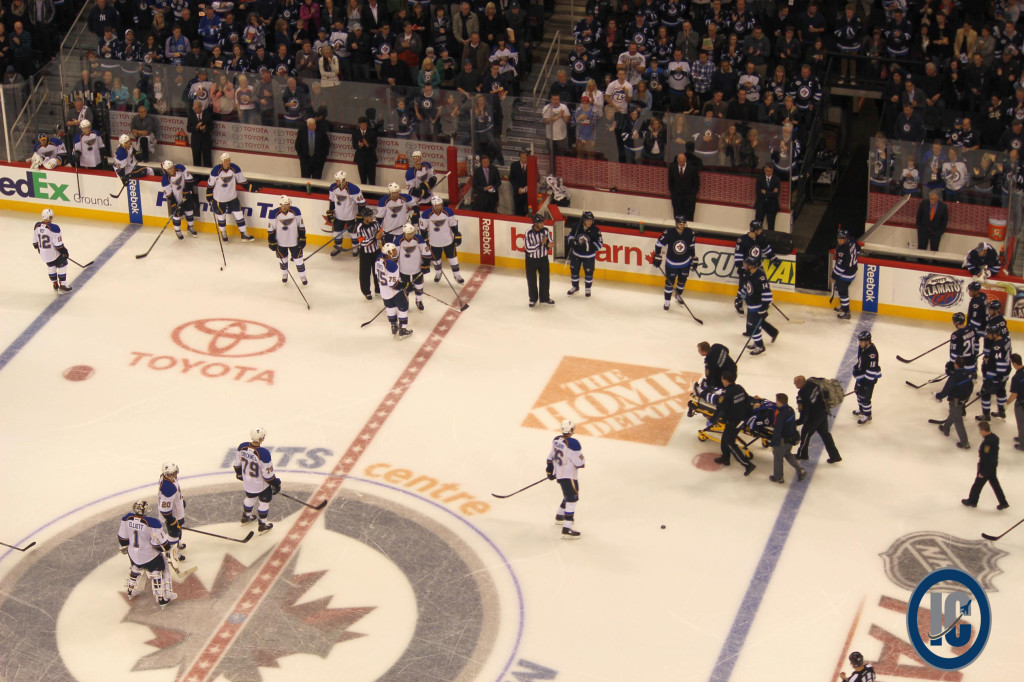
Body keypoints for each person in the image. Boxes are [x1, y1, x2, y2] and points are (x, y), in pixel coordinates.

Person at [117, 500, 177, 606]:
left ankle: (130, 590)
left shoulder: (126, 519)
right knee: (159, 569)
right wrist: (167, 547)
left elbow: (122, 539)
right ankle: (161, 597)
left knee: (136, 567)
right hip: (149, 556)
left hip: (133, 554)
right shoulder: (152, 523)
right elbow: (161, 544)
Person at [232, 426, 281, 534]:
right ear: (261, 438)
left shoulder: (242, 446)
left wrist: (239, 473)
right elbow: (268, 476)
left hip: (248, 483)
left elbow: (236, 464)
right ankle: (262, 525)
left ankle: (245, 517)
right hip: (261, 486)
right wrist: (276, 483)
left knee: (250, 498)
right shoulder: (263, 453)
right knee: (264, 503)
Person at [712, 369, 757, 476]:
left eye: (722, 379)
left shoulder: (727, 393)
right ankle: (725, 458)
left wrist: (714, 419)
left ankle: (747, 464)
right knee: (725, 439)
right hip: (741, 419)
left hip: (733, 421)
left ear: (726, 380)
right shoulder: (739, 388)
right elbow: (747, 400)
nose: (722, 381)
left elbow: (722, 408)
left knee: (729, 443)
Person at [546, 419, 585, 538]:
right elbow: (580, 463)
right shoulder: (574, 444)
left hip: (559, 475)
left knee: (567, 495)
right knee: (572, 500)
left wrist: (549, 471)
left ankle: (560, 516)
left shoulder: (556, 440)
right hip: (569, 477)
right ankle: (566, 529)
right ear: (572, 430)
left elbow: (550, 457)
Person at [733, 220, 778, 315]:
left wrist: (773, 257)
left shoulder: (761, 237)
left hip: (758, 266)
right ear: (755, 230)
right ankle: (739, 300)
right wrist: (741, 267)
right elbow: (738, 255)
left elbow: (766, 248)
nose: (761, 230)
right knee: (745, 286)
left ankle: (762, 301)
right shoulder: (742, 240)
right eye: (760, 229)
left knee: (762, 283)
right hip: (747, 267)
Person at [962, 421, 1010, 510]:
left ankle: (972, 501)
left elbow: (988, 458)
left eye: (980, 430)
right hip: (992, 465)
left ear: (984, 430)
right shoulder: (994, 437)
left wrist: (983, 472)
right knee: (995, 484)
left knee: (977, 484)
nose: (980, 432)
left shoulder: (988, 442)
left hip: (986, 467)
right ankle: (1003, 502)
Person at [207, 153, 254, 242]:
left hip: (232, 197)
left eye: (228, 160)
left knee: (239, 214)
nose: (227, 162)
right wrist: (209, 195)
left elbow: (242, 181)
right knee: (221, 217)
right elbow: (210, 185)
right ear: (222, 161)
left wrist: (251, 187)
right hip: (219, 198)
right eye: (225, 161)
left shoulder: (235, 168)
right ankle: (223, 232)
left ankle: (243, 233)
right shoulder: (215, 171)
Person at [652, 216, 696, 311]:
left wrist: (693, 258)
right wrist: (657, 255)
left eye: (683, 223)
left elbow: (691, 247)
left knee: (682, 282)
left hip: (685, 263)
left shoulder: (690, 233)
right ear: (676, 223)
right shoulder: (669, 233)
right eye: (680, 223)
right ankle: (667, 301)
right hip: (671, 264)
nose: (682, 225)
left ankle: (678, 296)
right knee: (669, 283)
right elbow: (658, 244)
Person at [794, 375, 841, 463]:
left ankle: (802, 454)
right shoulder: (812, 382)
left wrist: (799, 422)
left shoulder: (803, 393)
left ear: (799, 383)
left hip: (813, 418)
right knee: (825, 435)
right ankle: (835, 456)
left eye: (795, 383)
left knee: (805, 435)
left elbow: (805, 411)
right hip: (823, 412)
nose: (794, 385)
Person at [421, 195, 464, 284]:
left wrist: (457, 234)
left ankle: (457, 275)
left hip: (448, 241)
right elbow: (423, 229)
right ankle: (438, 273)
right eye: (437, 205)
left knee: (453, 259)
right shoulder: (426, 214)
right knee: (436, 260)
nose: (439, 206)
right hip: (434, 242)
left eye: (440, 204)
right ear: (433, 205)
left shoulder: (448, 212)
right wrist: (425, 239)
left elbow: (453, 225)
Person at [375, 242, 414, 339]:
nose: (395, 251)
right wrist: (406, 285)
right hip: (394, 293)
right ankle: (403, 329)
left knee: (390, 309)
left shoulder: (378, 260)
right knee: (403, 308)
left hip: (384, 292)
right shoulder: (392, 266)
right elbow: (393, 284)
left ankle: (393, 326)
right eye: (393, 250)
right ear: (388, 252)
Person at [741, 256, 777, 355]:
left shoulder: (760, 276)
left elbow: (767, 292)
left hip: (757, 306)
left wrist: (764, 308)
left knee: (755, 327)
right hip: (750, 305)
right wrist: (740, 297)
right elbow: (746, 287)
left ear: (752, 265)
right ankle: (757, 343)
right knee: (752, 326)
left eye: (747, 264)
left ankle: (760, 346)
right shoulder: (747, 274)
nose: (745, 265)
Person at [268, 195, 308, 285]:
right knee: (283, 260)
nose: (289, 205)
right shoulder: (273, 214)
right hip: (280, 242)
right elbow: (271, 229)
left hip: (294, 241)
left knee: (299, 260)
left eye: (289, 203)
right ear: (281, 205)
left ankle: (303, 276)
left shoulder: (296, 211)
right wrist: (271, 241)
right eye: (286, 204)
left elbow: (301, 225)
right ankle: (284, 274)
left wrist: (302, 237)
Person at [936, 358, 974, 449]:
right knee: (953, 414)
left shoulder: (954, 376)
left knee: (958, 420)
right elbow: (971, 386)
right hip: (964, 399)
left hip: (955, 400)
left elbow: (947, 389)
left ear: (956, 365)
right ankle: (946, 428)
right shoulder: (968, 373)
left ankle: (965, 443)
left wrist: (939, 396)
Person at [326, 170, 365, 257]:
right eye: (336, 180)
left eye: (338, 180)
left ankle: (355, 248)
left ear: (343, 180)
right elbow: (332, 201)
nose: (336, 182)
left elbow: (361, 203)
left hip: (351, 216)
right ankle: (338, 247)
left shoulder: (353, 189)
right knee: (336, 232)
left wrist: (360, 215)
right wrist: (330, 212)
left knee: (354, 233)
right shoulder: (332, 187)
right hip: (338, 216)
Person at [32, 209, 72, 293]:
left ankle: (54, 283)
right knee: (62, 265)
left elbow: (35, 244)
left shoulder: (37, 226)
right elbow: (58, 245)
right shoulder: (54, 228)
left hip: (43, 254)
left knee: (51, 266)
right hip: (53, 254)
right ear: (50, 217)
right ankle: (63, 285)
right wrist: (64, 252)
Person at [769, 393, 805, 484]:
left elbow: (778, 430)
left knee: (778, 458)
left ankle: (778, 477)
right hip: (791, 438)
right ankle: (800, 470)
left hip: (782, 441)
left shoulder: (781, 415)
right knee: (788, 454)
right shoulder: (790, 410)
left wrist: (773, 443)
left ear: (779, 402)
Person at [395, 223, 432, 311]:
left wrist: (426, 263)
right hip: (404, 269)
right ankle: (405, 302)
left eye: (412, 233)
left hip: (417, 267)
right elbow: (394, 255)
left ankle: (419, 300)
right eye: (409, 234)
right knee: (405, 288)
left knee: (419, 285)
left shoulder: (418, 238)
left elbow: (426, 252)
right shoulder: (398, 240)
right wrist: (394, 268)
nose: (411, 235)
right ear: (404, 233)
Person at [566, 211, 603, 297]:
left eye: (591, 220)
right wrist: (571, 241)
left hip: (589, 256)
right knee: (574, 270)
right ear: (583, 220)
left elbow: (600, 243)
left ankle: (588, 288)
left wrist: (587, 247)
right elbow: (570, 235)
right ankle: (575, 287)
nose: (589, 222)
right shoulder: (577, 226)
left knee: (589, 272)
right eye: (587, 220)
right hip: (576, 254)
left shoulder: (596, 230)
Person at [977, 327, 1010, 421]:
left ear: (995, 334)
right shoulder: (1006, 340)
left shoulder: (997, 347)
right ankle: (1002, 412)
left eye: (989, 334)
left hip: (995, 375)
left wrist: (997, 378)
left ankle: (986, 415)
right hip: (1006, 373)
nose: (988, 336)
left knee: (985, 393)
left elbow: (1000, 363)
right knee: (1001, 391)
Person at [161, 160, 198, 240]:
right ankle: (177, 231)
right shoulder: (165, 179)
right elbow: (169, 194)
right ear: (166, 170)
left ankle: (190, 227)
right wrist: (174, 203)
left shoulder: (180, 168)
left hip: (185, 195)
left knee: (189, 211)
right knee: (177, 215)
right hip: (176, 199)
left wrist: (187, 190)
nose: (172, 169)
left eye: (172, 167)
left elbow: (190, 180)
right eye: (169, 169)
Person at [157, 462, 186, 562]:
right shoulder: (168, 489)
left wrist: (181, 499)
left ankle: (178, 543)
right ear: (166, 474)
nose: (174, 475)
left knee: (180, 527)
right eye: (171, 474)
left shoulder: (167, 477)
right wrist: (171, 520)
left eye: (175, 472)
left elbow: (177, 489)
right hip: (172, 514)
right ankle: (171, 553)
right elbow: (164, 509)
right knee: (174, 533)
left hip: (177, 509)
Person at [524, 212, 554, 307]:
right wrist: (540, 244)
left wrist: (550, 245)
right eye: (541, 223)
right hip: (531, 260)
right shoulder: (528, 232)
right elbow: (528, 248)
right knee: (531, 280)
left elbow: (549, 242)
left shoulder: (546, 230)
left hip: (543, 259)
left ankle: (544, 298)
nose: (543, 224)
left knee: (545, 279)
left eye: (543, 222)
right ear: (535, 223)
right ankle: (533, 299)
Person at [851, 331, 881, 424]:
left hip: (869, 379)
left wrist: (865, 384)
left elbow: (872, 369)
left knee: (865, 397)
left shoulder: (872, 353)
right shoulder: (862, 348)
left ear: (867, 342)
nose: (860, 343)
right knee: (858, 392)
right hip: (862, 377)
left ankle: (867, 415)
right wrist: (857, 369)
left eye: (861, 341)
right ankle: (861, 410)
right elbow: (860, 360)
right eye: (859, 341)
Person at [354, 205, 382, 300]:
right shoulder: (360, 228)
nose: (372, 218)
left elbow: (380, 231)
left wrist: (380, 235)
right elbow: (363, 243)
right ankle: (366, 292)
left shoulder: (375, 223)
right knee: (365, 273)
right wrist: (374, 238)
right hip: (365, 253)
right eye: (369, 216)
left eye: (372, 216)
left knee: (378, 271)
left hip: (376, 251)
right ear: (364, 218)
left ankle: (378, 289)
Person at [832, 229, 860, 320]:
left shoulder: (843, 250)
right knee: (841, 289)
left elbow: (841, 266)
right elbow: (858, 249)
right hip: (852, 271)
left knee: (842, 292)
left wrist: (833, 276)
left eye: (841, 239)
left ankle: (846, 312)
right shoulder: (852, 240)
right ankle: (843, 306)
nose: (839, 241)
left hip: (846, 274)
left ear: (846, 239)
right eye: (838, 238)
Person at [667, 152, 700, 221]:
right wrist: (673, 194)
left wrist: (692, 196)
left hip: (689, 200)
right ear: (677, 160)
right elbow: (670, 182)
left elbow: (696, 184)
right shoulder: (672, 168)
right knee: (678, 219)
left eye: (683, 161)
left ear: (685, 160)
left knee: (689, 219)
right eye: (680, 161)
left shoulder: (692, 169)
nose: (681, 163)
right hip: (677, 199)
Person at [754, 163, 781, 231]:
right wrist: (771, 192)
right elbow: (758, 192)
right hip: (761, 205)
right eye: (768, 171)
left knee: (771, 226)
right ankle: (758, 237)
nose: (769, 173)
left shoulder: (776, 179)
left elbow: (776, 194)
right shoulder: (760, 178)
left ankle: (770, 237)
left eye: (771, 171)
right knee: (758, 225)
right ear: (764, 170)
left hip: (772, 206)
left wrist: (765, 192)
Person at [186, 100, 213, 167]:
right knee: (196, 162)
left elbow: (212, 127)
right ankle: (197, 174)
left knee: (207, 161)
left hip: (206, 142)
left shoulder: (207, 115)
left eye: (196, 109)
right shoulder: (191, 115)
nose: (195, 110)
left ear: (200, 108)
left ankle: (207, 174)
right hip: (195, 142)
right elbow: (188, 128)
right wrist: (196, 127)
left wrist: (205, 128)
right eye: (194, 109)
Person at [352, 116, 378, 184]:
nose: (364, 127)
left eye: (365, 125)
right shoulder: (355, 133)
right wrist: (359, 146)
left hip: (370, 159)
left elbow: (375, 145)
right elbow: (354, 146)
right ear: (359, 124)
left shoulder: (372, 132)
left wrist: (367, 145)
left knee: (372, 180)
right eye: (362, 125)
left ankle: (372, 191)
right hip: (361, 159)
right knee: (363, 180)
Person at [1008, 354, 1024, 450]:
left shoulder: (1016, 377)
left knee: (1021, 423)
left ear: (1014, 363)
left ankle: (1022, 444)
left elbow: (1014, 394)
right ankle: (1021, 437)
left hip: (1021, 403)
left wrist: (1007, 403)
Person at [509, 149, 530, 216]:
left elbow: (534, 178)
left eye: (525, 157)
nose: (524, 159)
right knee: (518, 212)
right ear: (520, 157)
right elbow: (511, 178)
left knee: (527, 212)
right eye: (522, 157)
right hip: (518, 193)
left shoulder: (531, 165)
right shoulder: (514, 165)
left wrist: (528, 187)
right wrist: (518, 188)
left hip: (528, 194)